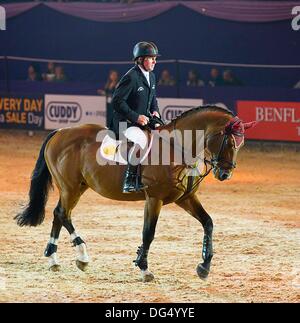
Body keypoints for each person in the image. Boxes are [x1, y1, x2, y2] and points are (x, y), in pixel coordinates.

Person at [111, 41, 161, 193]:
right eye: (151, 58)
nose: (154, 61)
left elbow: (153, 100)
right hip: (124, 122)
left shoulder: (151, 76)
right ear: (140, 59)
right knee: (141, 140)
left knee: (163, 131)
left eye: (155, 58)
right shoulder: (131, 77)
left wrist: (155, 111)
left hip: (143, 120)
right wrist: (136, 117)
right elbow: (117, 102)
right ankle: (130, 180)